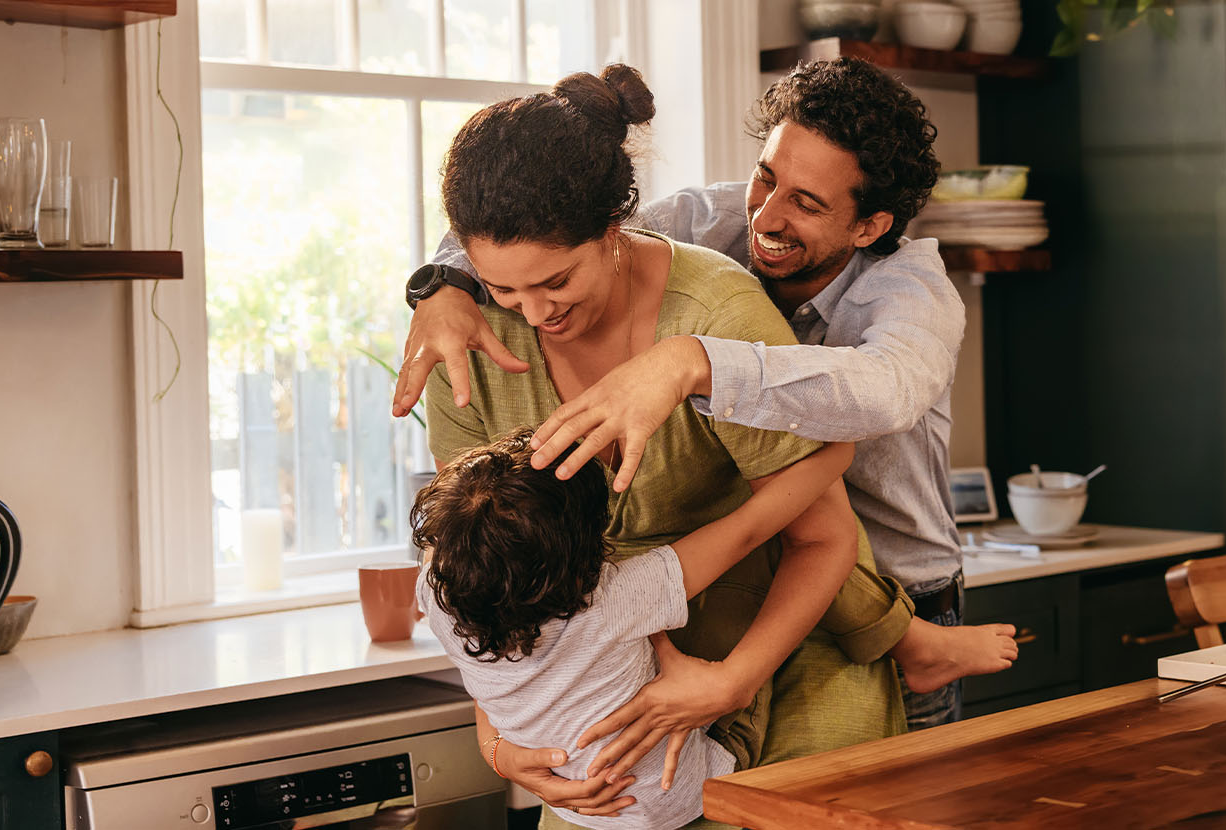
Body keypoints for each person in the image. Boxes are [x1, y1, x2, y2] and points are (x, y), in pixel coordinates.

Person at [417, 63, 1005, 828]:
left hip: (888, 570)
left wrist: (690, 362)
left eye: (806, 202)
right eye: (765, 179)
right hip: (674, 626)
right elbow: (520, 218)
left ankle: (910, 641)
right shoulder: (700, 223)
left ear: (870, 226)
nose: (766, 215)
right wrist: (439, 287)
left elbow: (880, 402)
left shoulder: (902, 294)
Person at [415, 429, 857, 830]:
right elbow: (748, 529)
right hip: (688, 791)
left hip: (581, 804)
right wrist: (837, 454)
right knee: (758, 568)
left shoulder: (437, 599)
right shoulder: (614, 599)